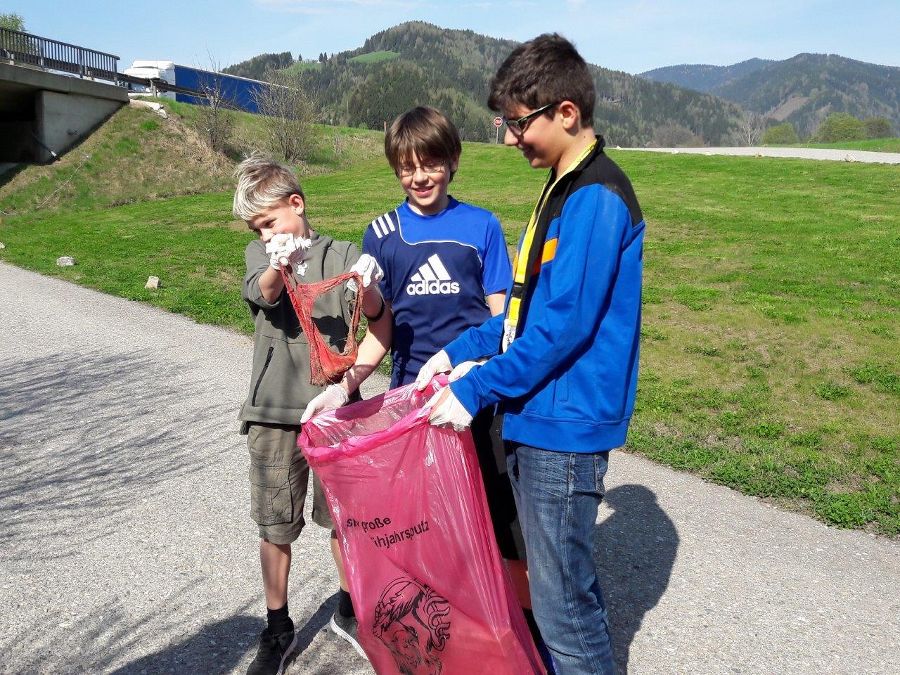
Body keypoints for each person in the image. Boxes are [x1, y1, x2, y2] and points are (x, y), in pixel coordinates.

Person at [417, 34, 646, 675]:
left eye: (519, 124)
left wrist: (473, 389)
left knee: (563, 610)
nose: (511, 138)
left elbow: (562, 331)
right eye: (505, 124)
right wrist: (457, 352)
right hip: (535, 417)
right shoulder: (560, 187)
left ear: (565, 113)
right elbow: (524, 312)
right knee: (555, 592)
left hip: (562, 429)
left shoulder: (595, 197)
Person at [301, 106, 538, 646]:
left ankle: (520, 631)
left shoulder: (480, 226)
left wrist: (475, 368)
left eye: (430, 163)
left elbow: (504, 318)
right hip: (413, 407)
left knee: (502, 525)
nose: (419, 176)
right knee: (426, 527)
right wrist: (344, 386)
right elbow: (381, 331)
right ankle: (450, 635)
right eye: (406, 167)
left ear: (452, 161)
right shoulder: (381, 233)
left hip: (474, 399)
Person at [233, 153, 390, 675]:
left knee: (343, 522)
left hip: (334, 417)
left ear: (296, 204)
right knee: (276, 523)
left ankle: (350, 610)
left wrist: (366, 284)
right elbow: (264, 292)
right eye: (257, 228)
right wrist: (278, 258)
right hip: (275, 412)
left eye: (271, 221)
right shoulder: (260, 253)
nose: (264, 232)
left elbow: (378, 324)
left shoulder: (343, 252)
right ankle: (278, 627)